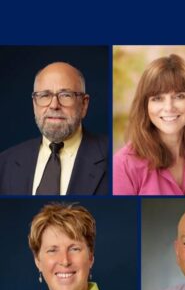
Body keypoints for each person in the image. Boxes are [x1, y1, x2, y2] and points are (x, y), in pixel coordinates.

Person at [113, 54, 185, 195]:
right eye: (157, 98)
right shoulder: (123, 164)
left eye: (179, 96)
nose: (169, 107)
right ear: (145, 106)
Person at [0, 62, 108, 195]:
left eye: (65, 95)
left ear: (84, 104)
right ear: (34, 103)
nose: (54, 105)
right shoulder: (5, 163)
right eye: (45, 95)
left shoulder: (111, 158)